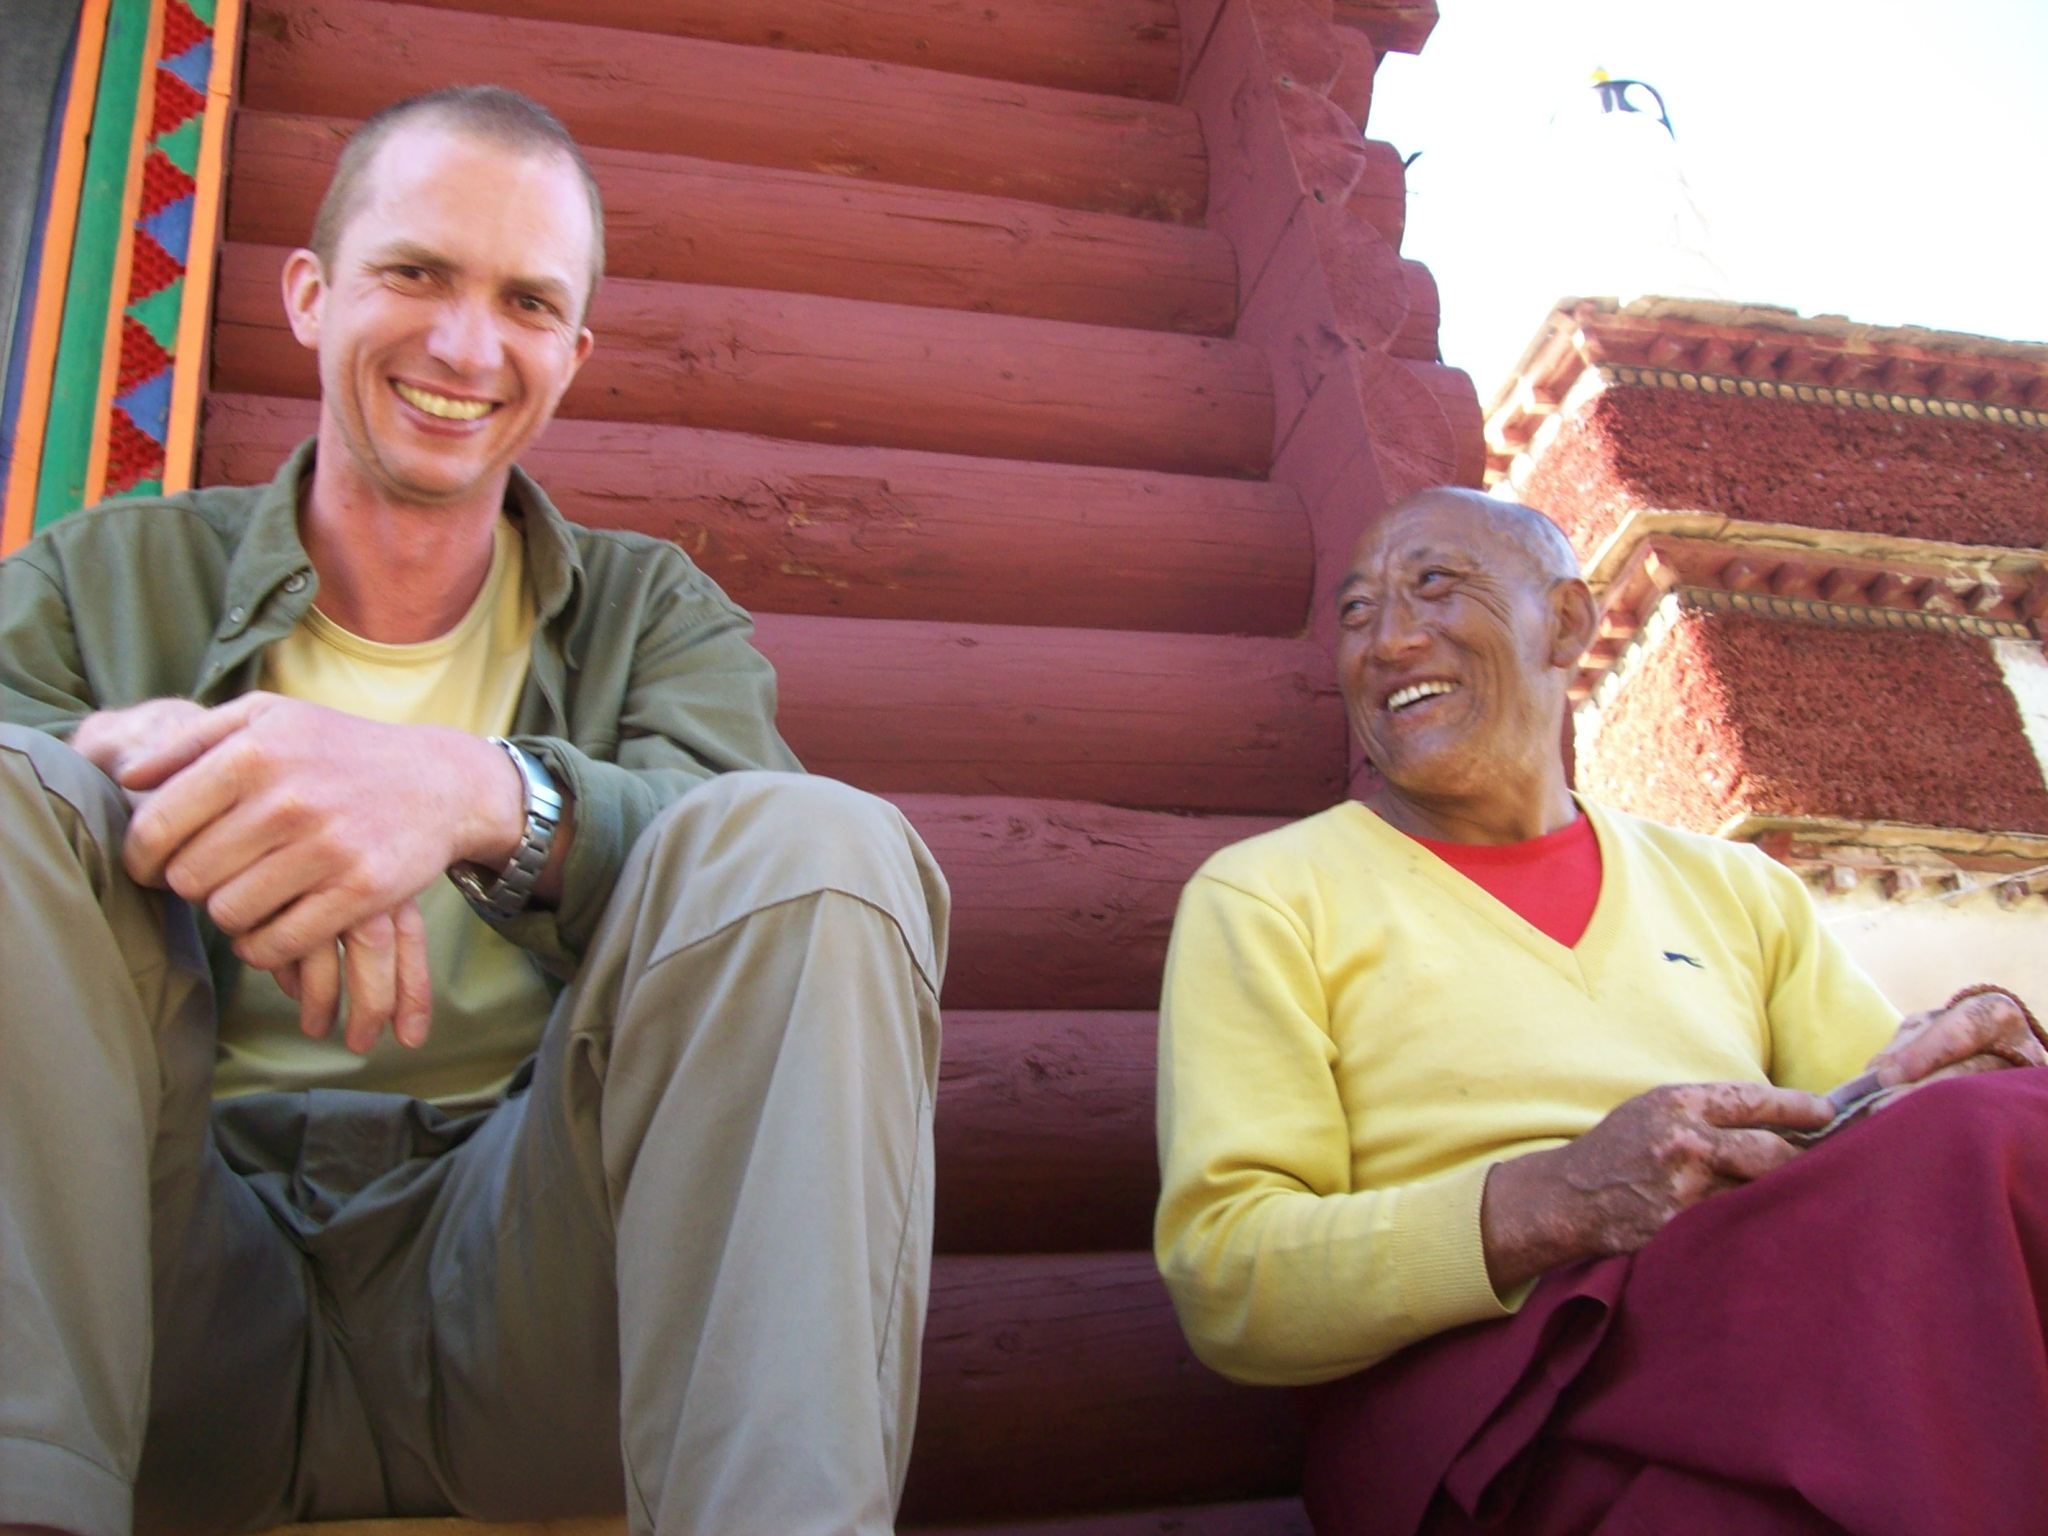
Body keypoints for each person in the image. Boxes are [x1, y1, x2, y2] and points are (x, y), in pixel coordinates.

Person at [0, 87, 947, 1536]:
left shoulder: (654, 616)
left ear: (571, 356)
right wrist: (187, 790)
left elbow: (731, 864)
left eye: (526, 303)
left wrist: (474, 795)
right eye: (415, 272)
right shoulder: (95, 581)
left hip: (533, 1295)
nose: (463, 346)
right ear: (310, 294)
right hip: (161, 1283)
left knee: (817, 840)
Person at [1154, 486, 2048, 1536]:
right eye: (1357, 613)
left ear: (1568, 623)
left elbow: (1886, 1135)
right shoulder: (1267, 896)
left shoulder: (1734, 888)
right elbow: (1228, 1277)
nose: (1389, 641)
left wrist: (1964, 1058)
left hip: (1766, 1324)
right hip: (1504, 1403)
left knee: (2000, 1123)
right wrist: (1557, 1200)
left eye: (1434, 587)